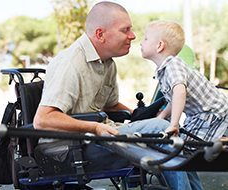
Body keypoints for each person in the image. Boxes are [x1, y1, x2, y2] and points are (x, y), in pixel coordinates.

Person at [33, 2, 201, 190]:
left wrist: (140, 115)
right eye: (125, 30)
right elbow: (43, 119)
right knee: (164, 130)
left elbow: (109, 106)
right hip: (68, 149)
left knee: (173, 138)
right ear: (100, 34)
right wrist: (95, 127)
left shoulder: (107, 63)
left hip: (98, 135)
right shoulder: (71, 63)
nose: (133, 36)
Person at [140, 20, 228, 153]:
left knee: (191, 148)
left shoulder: (172, 65)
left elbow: (180, 93)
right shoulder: (164, 69)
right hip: (198, 114)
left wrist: (174, 124)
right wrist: (161, 117)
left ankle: (221, 145)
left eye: (146, 39)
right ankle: (216, 144)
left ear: (159, 46)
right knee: (185, 142)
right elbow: (173, 100)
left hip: (212, 111)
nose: (141, 42)